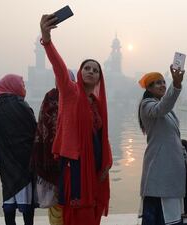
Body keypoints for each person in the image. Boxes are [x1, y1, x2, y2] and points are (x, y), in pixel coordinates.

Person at [40, 14, 113, 225]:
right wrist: (47, 39)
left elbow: (101, 134)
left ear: (100, 78)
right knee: (76, 208)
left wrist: (106, 161)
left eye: (95, 70)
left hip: (95, 163)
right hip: (75, 162)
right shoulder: (71, 92)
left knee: (92, 207)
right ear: (79, 73)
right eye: (87, 68)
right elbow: (59, 67)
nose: (91, 71)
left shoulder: (97, 104)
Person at [138, 68, 186, 225]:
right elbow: (162, 108)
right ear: (149, 88)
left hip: (171, 169)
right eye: (157, 83)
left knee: (172, 214)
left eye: (164, 82)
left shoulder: (167, 109)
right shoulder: (147, 105)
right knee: (159, 216)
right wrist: (176, 84)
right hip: (159, 169)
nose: (162, 85)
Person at [0, 74, 37, 225]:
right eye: (22, 84)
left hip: (5, 162)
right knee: (26, 200)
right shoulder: (22, 105)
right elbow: (34, 132)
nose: (24, 87)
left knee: (8, 195)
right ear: (14, 86)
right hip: (25, 162)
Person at [30, 71, 75, 225]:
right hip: (52, 158)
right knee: (56, 202)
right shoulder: (50, 97)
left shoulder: (78, 97)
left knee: (72, 199)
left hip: (73, 159)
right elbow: (43, 125)